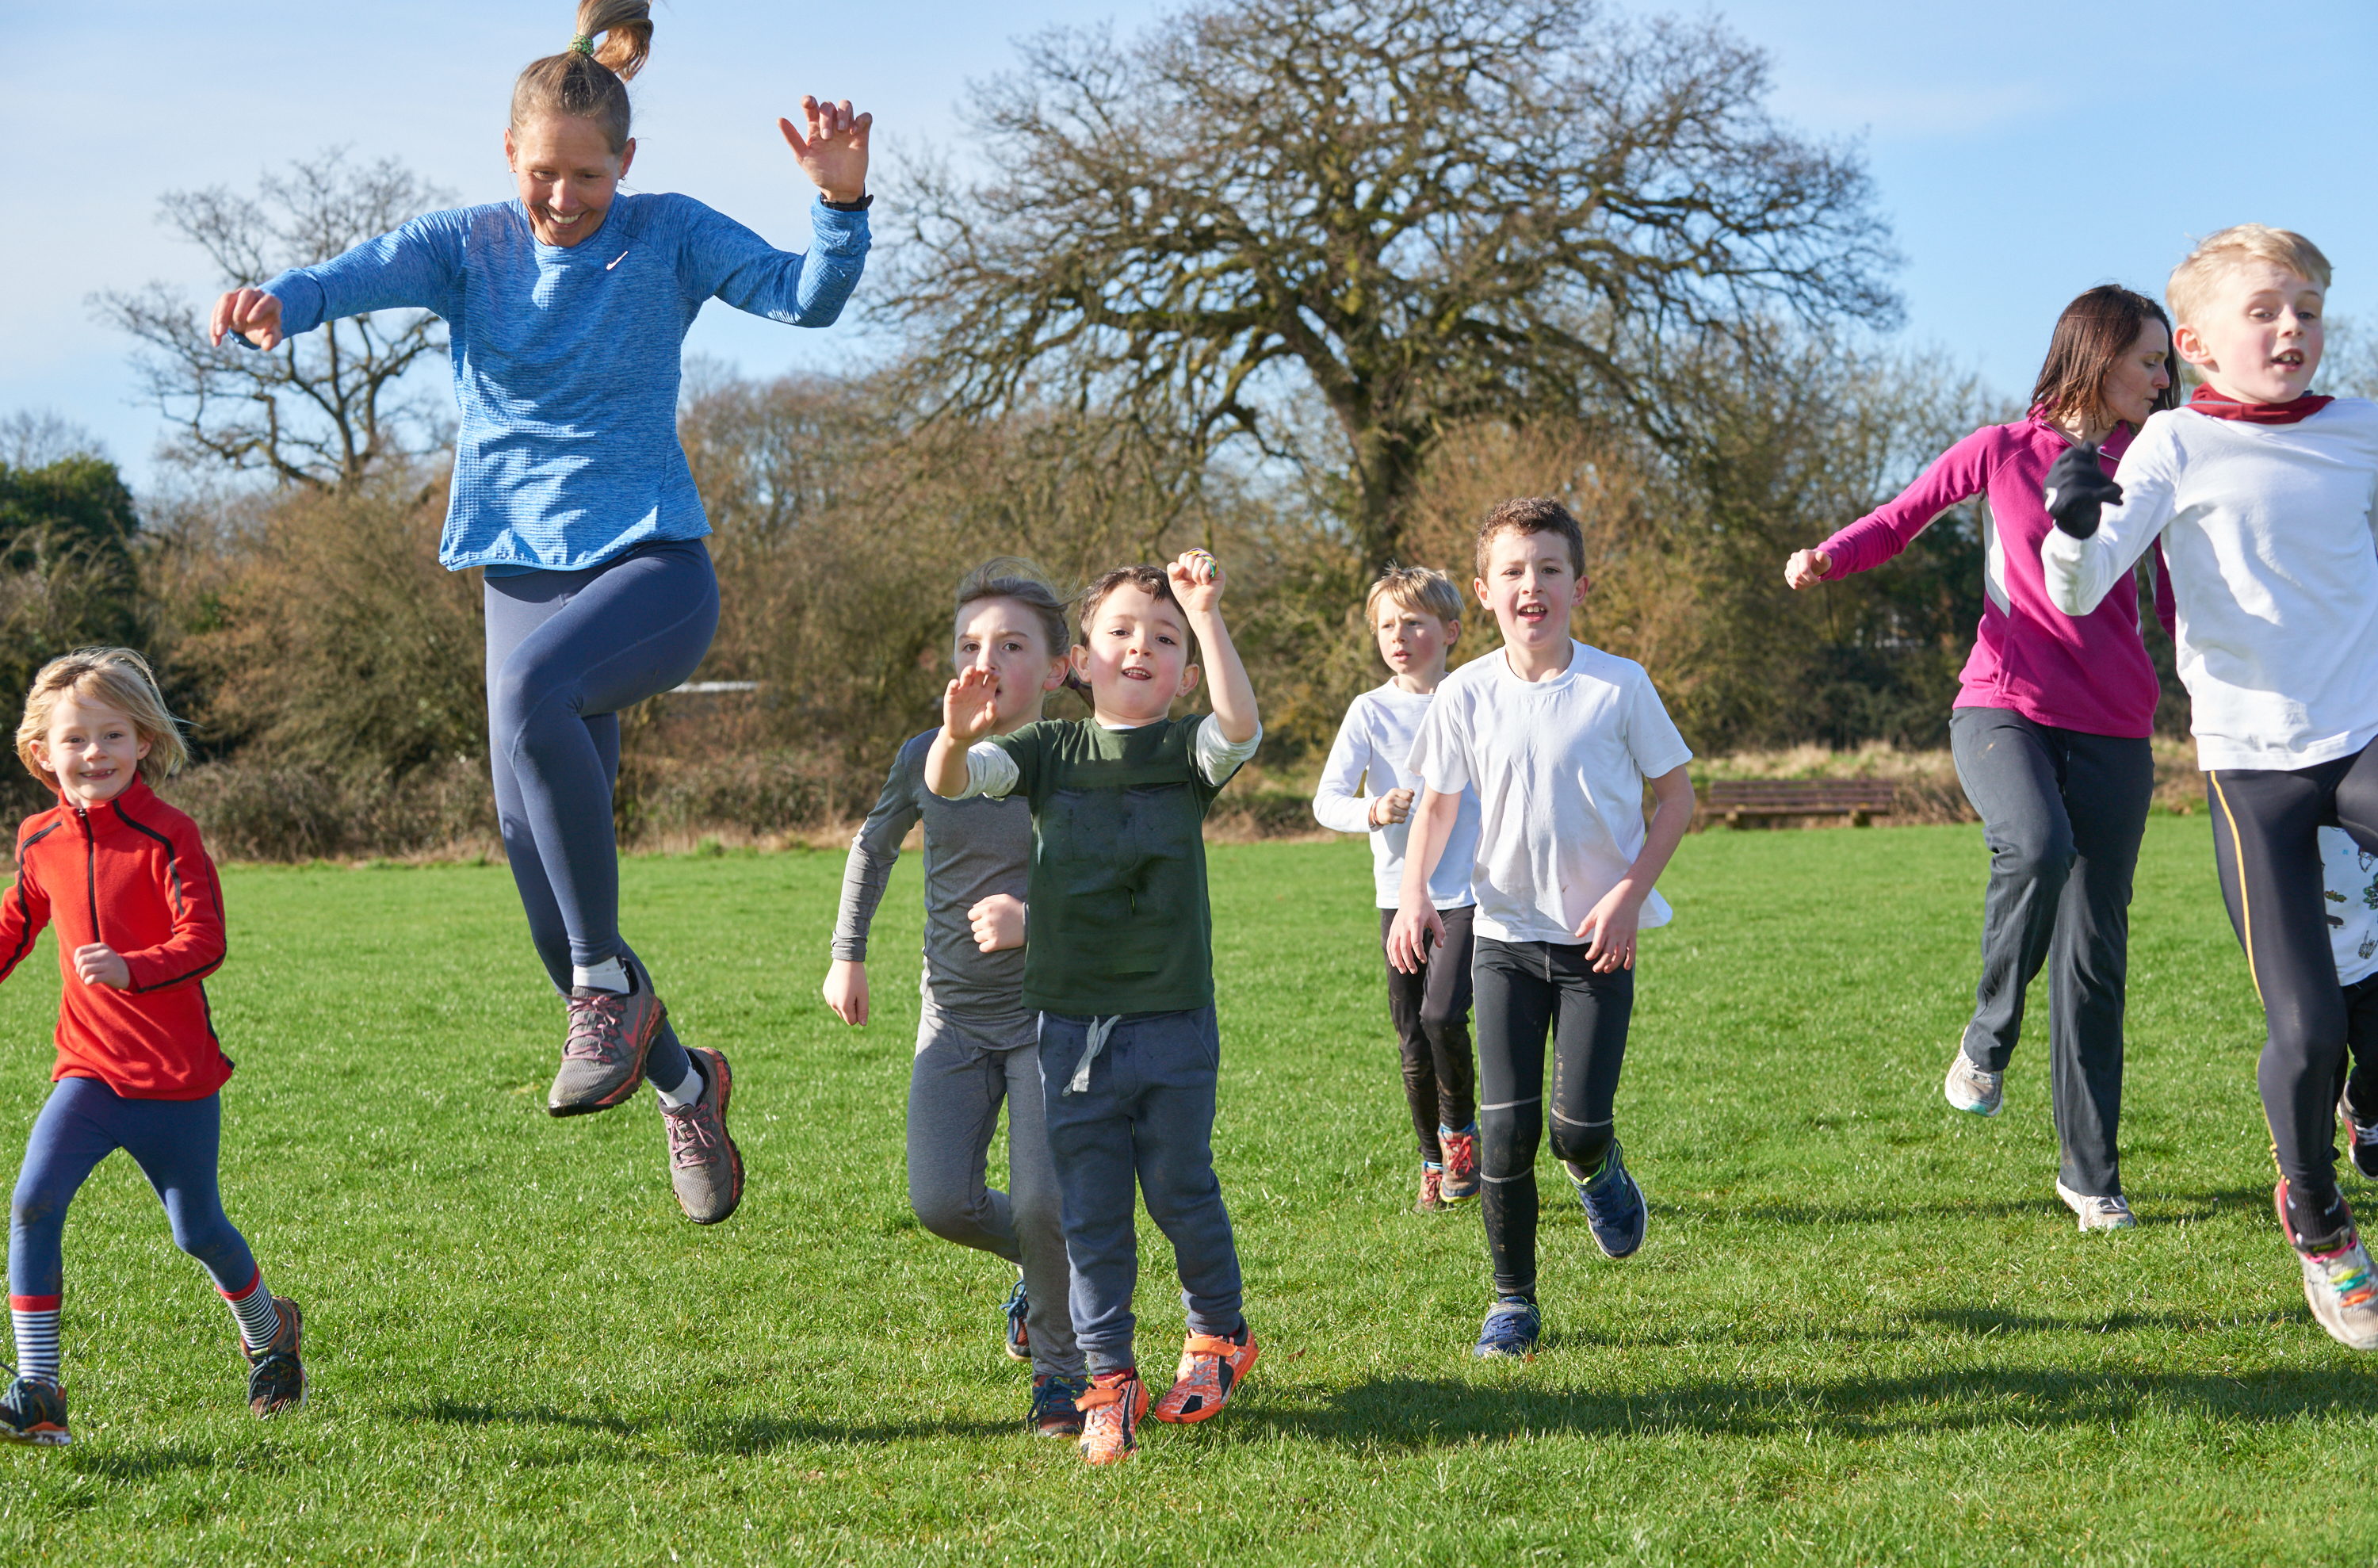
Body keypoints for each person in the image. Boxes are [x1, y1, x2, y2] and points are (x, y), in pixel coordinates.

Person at [209, 0, 876, 1222]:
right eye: (540, 174)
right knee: (547, 888)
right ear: (507, 159)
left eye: (584, 174)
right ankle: (685, 1081)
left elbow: (805, 298)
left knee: (531, 713)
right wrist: (280, 301)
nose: (561, 197)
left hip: (652, 574)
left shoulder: (667, 236)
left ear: (626, 163)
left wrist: (838, 207)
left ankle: (603, 992)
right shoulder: (469, 243)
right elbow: (355, 275)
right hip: (519, 577)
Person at [2037, 225, 2378, 1348]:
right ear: (2195, 341)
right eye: (2266, 312)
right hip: (2255, 766)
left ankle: (2370, 1100)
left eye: (2310, 311)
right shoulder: (2175, 442)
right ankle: (2320, 1219)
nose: (2292, 330)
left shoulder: (2362, 426)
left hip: (2368, 733)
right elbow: (2085, 587)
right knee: (2307, 1018)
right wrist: (2073, 523)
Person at [1783, 285, 2181, 1232]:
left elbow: (2180, 591)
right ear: (2097, 355)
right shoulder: (2002, 450)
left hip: (2119, 727)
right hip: (2003, 706)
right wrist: (1827, 558)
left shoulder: (2161, 462)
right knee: (2035, 844)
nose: (2165, 380)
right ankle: (1988, 1036)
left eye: (2170, 363)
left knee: (2095, 957)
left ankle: (2091, 1176)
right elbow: (1902, 515)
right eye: (2150, 361)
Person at [924, 551, 1261, 1467]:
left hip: (1173, 1021)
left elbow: (1242, 724)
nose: (1141, 648)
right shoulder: (1052, 751)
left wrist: (1206, 611)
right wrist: (954, 735)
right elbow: (957, 782)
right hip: (1070, 1028)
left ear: (1184, 668)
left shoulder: (1188, 748)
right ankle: (1107, 1378)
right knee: (1093, 1213)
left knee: (1181, 1188)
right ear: (1079, 660)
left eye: (1163, 639)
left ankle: (1217, 1335)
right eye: (1120, 632)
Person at [1389, 499, 1696, 1360]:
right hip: (1506, 939)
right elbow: (1440, 801)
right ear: (1484, 592)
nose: (1533, 586)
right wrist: (1415, 894)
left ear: (1579, 585)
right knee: (1504, 1131)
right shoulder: (1465, 692)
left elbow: (1677, 799)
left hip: (1601, 942)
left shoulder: (1620, 685)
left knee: (1574, 1128)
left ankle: (1600, 1167)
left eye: (1550, 570)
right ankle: (1512, 1304)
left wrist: (1631, 894)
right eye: (1515, 572)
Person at [0, 649, 304, 1445]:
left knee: (197, 1231)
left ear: (142, 743)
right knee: (33, 1200)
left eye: (112, 735)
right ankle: (40, 1392)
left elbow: (205, 940)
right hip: (88, 1072)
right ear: (42, 752)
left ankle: (272, 1336)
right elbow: (15, 924)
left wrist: (133, 968)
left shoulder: (171, 835)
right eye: (75, 739)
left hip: (175, 1079)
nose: (93, 753)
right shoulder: (38, 840)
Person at [823, 560, 1088, 1437]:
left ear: (1057, 667)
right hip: (955, 1019)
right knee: (941, 1201)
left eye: (1012, 645)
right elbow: (874, 846)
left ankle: (1060, 1373)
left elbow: (1126, 892)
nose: (988, 660)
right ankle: (1051, 1269)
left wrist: (1035, 915)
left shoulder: (1081, 764)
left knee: (1047, 1203)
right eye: (971, 644)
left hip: (1054, 1020)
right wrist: (846, 956)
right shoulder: (923, 758)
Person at [1313, 566, 1484, 1214]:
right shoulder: (1369, 710)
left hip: (1466, 891)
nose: (1399, 635)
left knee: (1443, 1016)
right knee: (1412, 1037)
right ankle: (1433, 1163)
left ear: (1451, 632)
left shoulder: (1474, 697)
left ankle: (1461, 1133)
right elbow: (1326, 800)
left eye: (1414, 622)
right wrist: (1372, 809)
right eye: (1387, 625)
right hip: (1396, 893)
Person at [2313, 829, 2378, 1182]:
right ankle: (2319, 1179)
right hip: (2310, 974)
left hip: (2374, 963)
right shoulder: (2297, 794)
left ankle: (2363, 1108)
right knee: (2319, 1082)